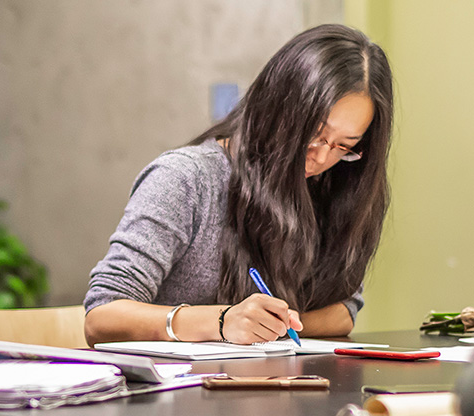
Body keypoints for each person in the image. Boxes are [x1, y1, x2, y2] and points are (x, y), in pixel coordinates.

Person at [84, 24, 392, 346]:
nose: (320, 157)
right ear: (277, 105)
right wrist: (221, 322)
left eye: (344, 145)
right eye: (314, 132)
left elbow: (344, 309)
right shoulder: (185, 179)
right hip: (174, 389)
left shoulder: (334, 185)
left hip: (276, 385)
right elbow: (102, 317)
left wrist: (273, 327)